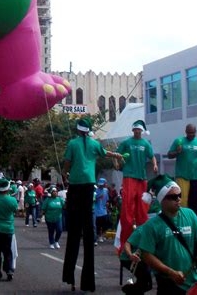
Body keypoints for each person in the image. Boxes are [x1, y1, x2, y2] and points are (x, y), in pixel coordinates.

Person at [62, 117, 122, 293]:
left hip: (75, 185)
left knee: (74, 230)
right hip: (89, 184)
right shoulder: (94, 144)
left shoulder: (72, 143)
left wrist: (65, 174)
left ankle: (69, 277)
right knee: (88, 226)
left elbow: (67, 162)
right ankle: (87, 282)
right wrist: (116, 154)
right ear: (88, 131)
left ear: (78, 130)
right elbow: (105, 153)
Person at [139, 174, 197, 294]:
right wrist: (170, 272)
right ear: (162, 200)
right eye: (173, 197)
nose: (178, 199)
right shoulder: (151, 225)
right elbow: (146, 255)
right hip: (168, 284)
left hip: (193, 281)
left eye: (179, 195)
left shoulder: (190, 214)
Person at [117, 119, 158, 252]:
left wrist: (155, 164)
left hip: (142, 179)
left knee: (142, 211)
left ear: (142, 131)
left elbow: (152, 156)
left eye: (139, 130)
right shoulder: (127, 142)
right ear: (133, 130)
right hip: (129, 177)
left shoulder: (145, 144)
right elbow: (117, 155)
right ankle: (125, 244)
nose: (137, 132)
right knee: (127, 210)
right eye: (135, 130)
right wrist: (116, 162)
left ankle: (143, 245)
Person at [167, 124, 197, 223]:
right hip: (182, 177)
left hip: (195, 177)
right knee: (182, 202)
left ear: (195, 132)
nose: (190, 135)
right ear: (185, 132)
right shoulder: (179, 141)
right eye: (189, 133)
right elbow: (169, 155)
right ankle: (182, 222)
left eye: (192, 133)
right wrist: (177, 152)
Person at [119, 224, 152, 294]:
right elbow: (127, 244)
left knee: (146, 284)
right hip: (129, 258)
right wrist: (130, 255)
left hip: (144, 258)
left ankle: (130, 290)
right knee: (145, 281)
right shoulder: (142, 230)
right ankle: (127, 289)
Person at [94, 178, 109, 243]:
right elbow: (94, 199)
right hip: (97, 210)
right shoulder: (96, 191)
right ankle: (99, 236)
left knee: (105, 223)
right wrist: (98, 197)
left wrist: (107, 204)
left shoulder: (106, 190)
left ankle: (101, 235)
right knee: (98, 224)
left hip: (104, 210)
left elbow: (107, 199)